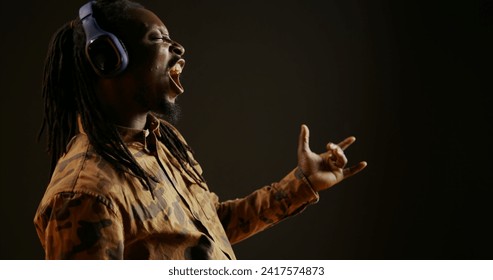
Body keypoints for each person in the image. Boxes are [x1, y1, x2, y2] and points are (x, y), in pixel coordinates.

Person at [34, 0, 367, 260]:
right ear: (108, 59)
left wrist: (301, 184)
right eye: (158, 38)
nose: (178, 48)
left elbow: (210, 228)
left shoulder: (163, 141)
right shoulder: (83, 195)